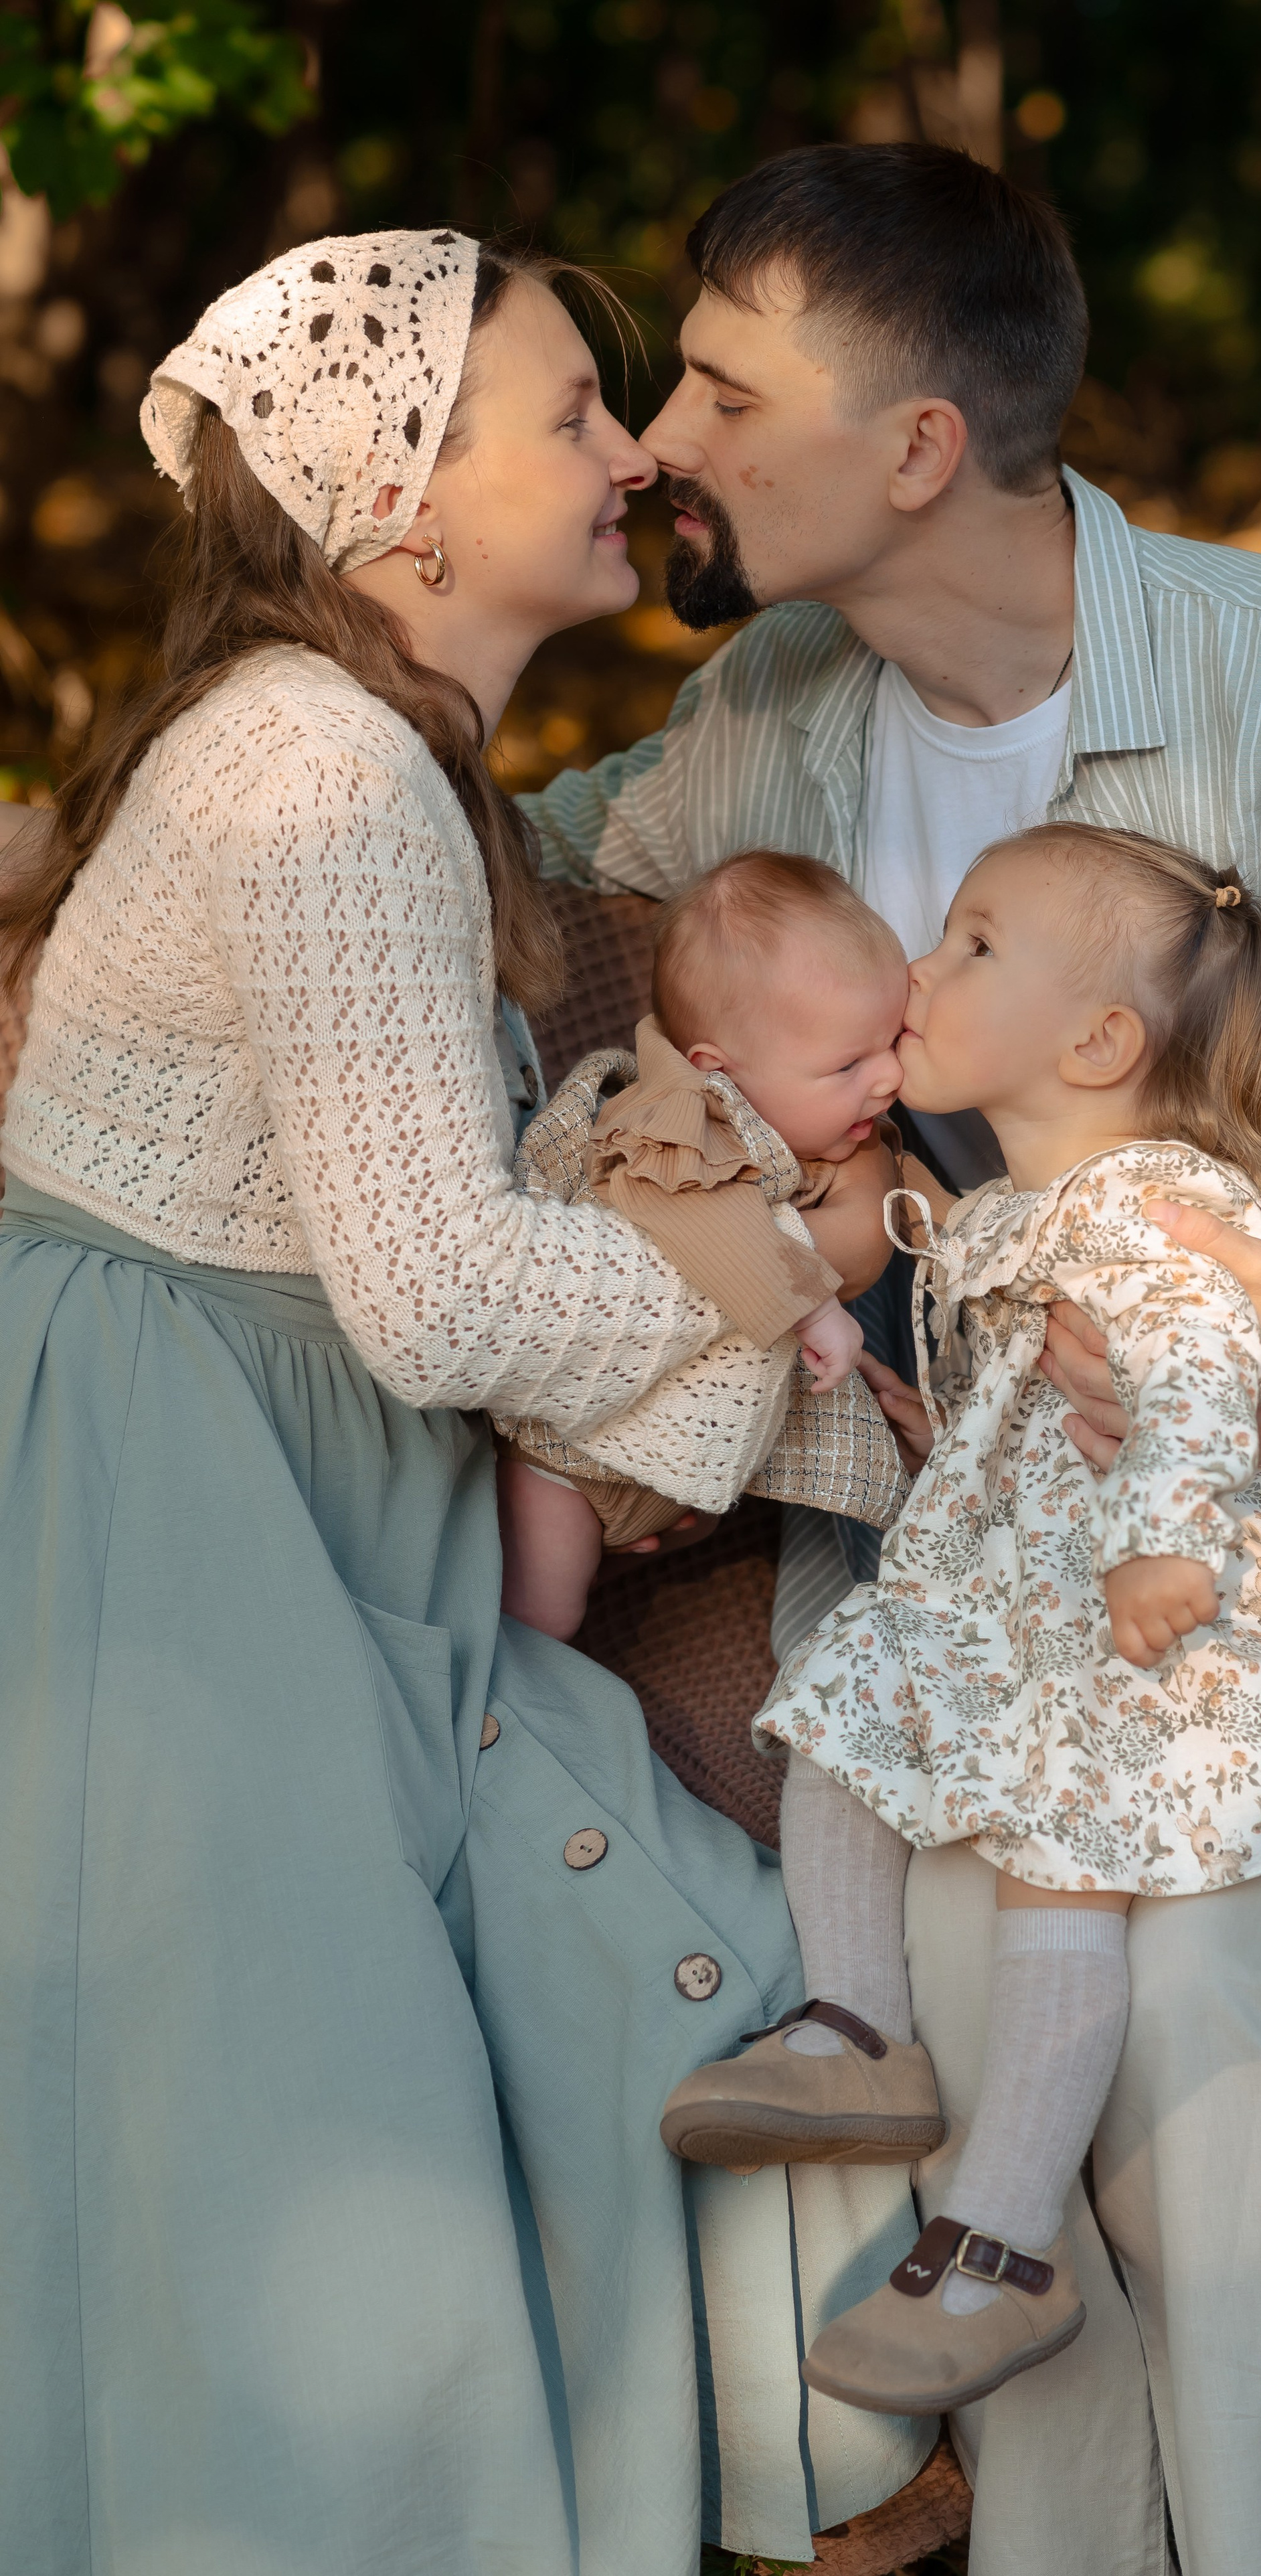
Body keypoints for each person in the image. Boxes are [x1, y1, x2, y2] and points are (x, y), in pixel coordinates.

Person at [519, 140, 1261, 2575]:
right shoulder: (777, 713)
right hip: (1027, 1545)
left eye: (718, 386)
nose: (655, 438)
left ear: (913, 446)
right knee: (983, 2018)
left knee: (1212, 2012)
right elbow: (517, 849)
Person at [0, 228, 926, 2576]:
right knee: (322, 2107)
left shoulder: (399, 754)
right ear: (399, 510)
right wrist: (803, 1251)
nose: (633, 455)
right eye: (566, 418)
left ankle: (793, 2451)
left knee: (622, 1921)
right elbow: (432, 1294)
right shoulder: (321, 775)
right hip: (164, 1472)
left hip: (264, 1430)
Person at [663, 822, 1261, 2420]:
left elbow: (1200, 1362)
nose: (916, 970)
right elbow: (1030, 1390)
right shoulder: (1018, 1203)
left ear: (1095, 1041)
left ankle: (1001, 2239)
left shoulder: (1150, 1199)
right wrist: (929, 1430)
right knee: (848, 1693)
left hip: (1172, 1573)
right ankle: (853, 2024)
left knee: (1061, 1843)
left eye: (967, 943)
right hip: (1034, 1558)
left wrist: (1157, 1545)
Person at [495, 848, 909, 1639]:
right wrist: (809, 1306)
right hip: (568, 1459)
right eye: (851, 1061)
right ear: (718, 1070)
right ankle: (501, 1722)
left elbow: (901, 1197)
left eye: (891, 1040)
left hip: (667, 1458)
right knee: (537, 1617)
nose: (889, 1075)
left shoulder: (799, 1124)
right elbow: (705, 1220)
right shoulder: (670, 1123)